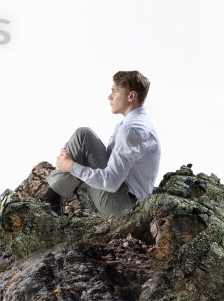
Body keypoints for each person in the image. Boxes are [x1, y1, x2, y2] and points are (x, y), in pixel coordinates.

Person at [40, 70, 160, 216]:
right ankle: (52, 199)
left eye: (114, 91)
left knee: (80, 144)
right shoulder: (135, 122)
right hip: (125, 197)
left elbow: (111, 182)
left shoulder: (131, 130)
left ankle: (50, 201)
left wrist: (71, 165)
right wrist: (73, 155)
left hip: (125, 207)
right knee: (83, 135)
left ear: (131, 96)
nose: (109, 96)